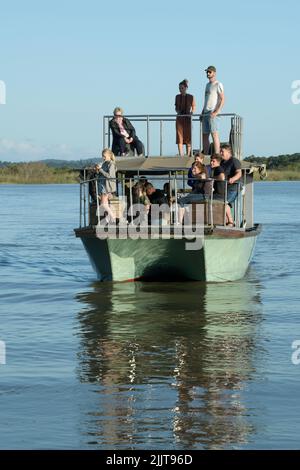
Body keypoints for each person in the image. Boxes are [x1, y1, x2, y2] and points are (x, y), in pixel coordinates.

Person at [201, 66, 225, 155]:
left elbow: (223, 99)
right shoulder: (207, 85)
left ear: (214, 73)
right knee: (204, 135)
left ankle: (217, 155)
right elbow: (206, 100)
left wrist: (216, 111)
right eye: (207, 72)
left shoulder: (218, 84)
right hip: (206, 113)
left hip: (213, 113)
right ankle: (206, 155)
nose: (208, 73)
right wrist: (202, 112)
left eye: (209, 72)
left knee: (214, 134)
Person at [210, 153, 234, 226]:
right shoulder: (216, 169)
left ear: (218, 162)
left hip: (220, 192)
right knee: (224, 204)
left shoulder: (218, 168)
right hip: (219, 192)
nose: (211, 162)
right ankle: (227, 221)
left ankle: (230, 221)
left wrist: (212, 179)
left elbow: (222, 177)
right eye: (211, 161)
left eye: (213, 161)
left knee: (224, 204)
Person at [175, 79, 196, 157]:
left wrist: (192, 113)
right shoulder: (177, 97)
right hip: (180, 118)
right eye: (179, 88)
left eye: (182, 88)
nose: (180, 89)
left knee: (188, 136)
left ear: (186, 88)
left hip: (188, 118)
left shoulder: (191, 97)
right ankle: (181, 154)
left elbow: (194, 106)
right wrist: (178, 111)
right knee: (179, 136)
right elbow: (176, 107)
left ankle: (188, 154)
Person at [97, 148, 117, 222]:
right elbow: (101, 174)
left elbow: (110, 176)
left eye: (104, 156)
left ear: (109, 155)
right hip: (101, 185)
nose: (103, 157)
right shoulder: (104, 163)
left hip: (106, 186)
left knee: (103, 205)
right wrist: (97, 170)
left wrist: (101, 170)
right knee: (104, 205)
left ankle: (113, 217)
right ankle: (109, 220)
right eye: (102, 156)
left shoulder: (111, 164)